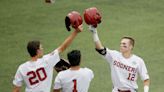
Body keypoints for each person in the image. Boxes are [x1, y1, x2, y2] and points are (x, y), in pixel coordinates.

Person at [12, 25, 83, 92]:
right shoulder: (47, 60)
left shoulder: (22, 68)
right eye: (41, 47)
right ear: (37, 51)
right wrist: (75, 32)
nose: (42, 49)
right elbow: (63, 47)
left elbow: (16, 90)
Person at [88, 25, 150, 92]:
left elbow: (146, 79)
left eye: (124, 44)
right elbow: (100, 49)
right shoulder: (114, 55)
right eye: (121, 43)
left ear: (131, 46)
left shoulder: (138, 61)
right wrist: (94, 33)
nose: (121, 45)